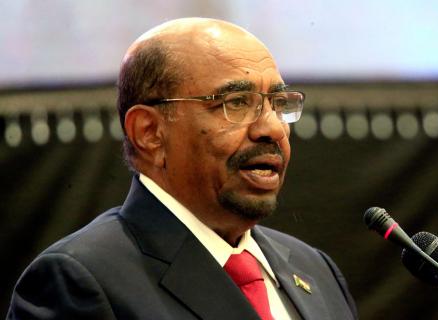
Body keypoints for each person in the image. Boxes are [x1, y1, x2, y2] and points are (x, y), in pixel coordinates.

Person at [7, 18, 358, 320]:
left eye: (278, 104)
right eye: (235, 103)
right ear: (149, 133)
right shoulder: (81, 279)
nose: (272, 129)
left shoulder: (315, 270)